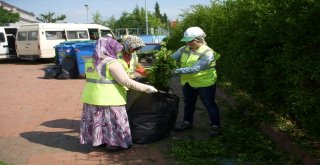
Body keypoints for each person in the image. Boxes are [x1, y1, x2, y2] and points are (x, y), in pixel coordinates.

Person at [80, 35, 158, 151]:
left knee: (99, 122)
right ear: (109, 47)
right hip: (110, 98)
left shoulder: (90, 61)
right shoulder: (112, 62)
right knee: (114, 122)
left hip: (91, 98)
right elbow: (126, 81)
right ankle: (115, 144)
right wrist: (147, 88)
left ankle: (100, 141)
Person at [171, 27, 221, 137]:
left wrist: (174, 71)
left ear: (199, 39)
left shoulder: (208, 53)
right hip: (188, 82)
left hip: (205, 83)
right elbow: (172, 58)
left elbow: (196, 68)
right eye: (186, 40)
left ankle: (216, 126)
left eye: (190, 40)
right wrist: (165, 61)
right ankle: (187, 122)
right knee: (188, 104)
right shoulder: (184, 49)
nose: (188, 43)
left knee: (209, 104)